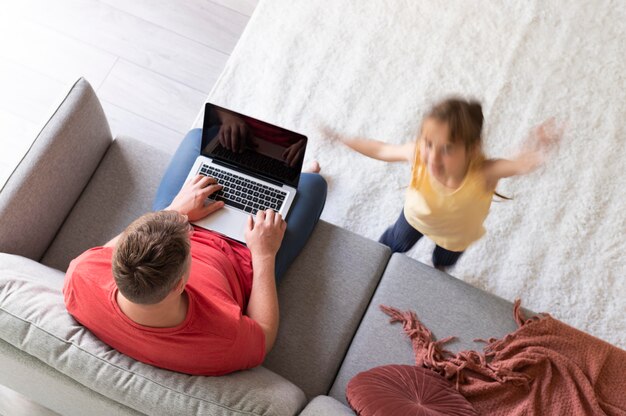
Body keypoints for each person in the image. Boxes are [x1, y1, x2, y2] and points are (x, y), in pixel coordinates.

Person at [63, 128, 326, 376]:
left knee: (200, 137)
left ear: (115, 262)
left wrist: (177, 211)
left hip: (179, 215)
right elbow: (264, 336)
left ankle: (274, 179)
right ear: (179, 285)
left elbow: (121, 244)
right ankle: (290, 180)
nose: (191, 232)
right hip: (245, 252)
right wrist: (265, 254)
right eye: (189, 239)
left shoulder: (81, 275)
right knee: (314, 184)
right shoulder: (223, 341)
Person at [323, 97, 563, 270]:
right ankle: (374, 263)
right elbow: (382, 149)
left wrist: (540, 146)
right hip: (414, 218)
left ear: (472, 149)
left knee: (443, 262)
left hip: (455, 237)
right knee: (392, 244)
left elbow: (520, 163)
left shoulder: (484, 173)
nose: (433, 158)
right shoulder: (418, 154)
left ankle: (437, 270)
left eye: (447, 149)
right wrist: (344, 139)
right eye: (428, 144)